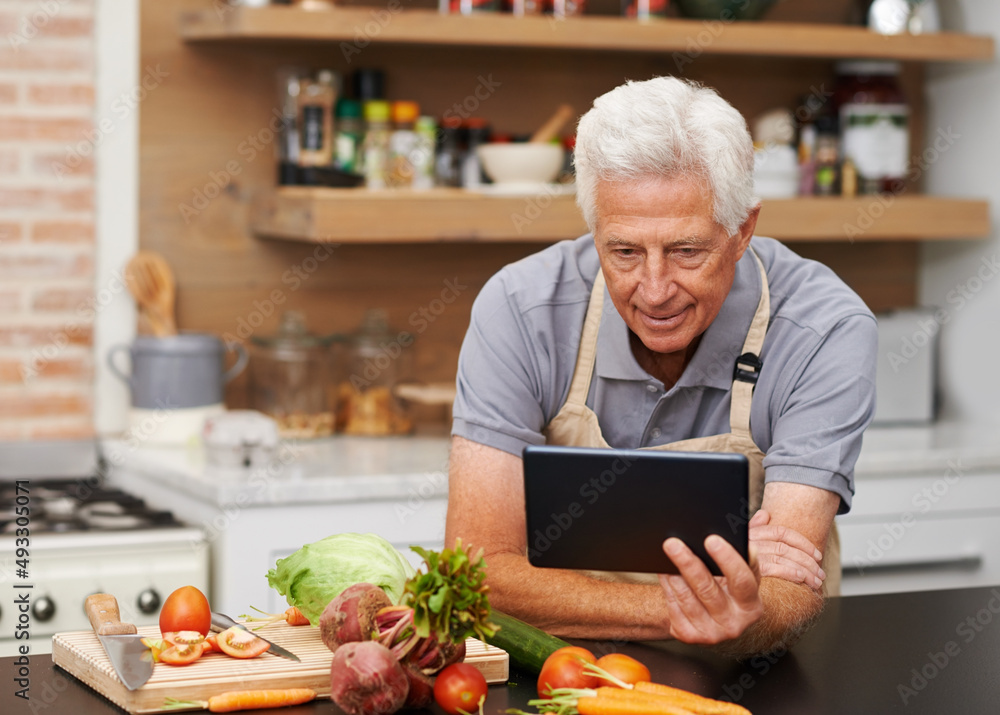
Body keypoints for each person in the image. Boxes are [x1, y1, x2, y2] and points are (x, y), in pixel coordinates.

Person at [445, 76, 877, 657]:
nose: (653, 290)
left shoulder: (824, 329)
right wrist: (682, 607)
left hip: (753, 676)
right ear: (594, 231)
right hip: (571, 679)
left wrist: (755, 599)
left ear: (742, 230)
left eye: (686, 251)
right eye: (623, 252)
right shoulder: (522, 310)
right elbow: (477, 576)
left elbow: (787, 590)